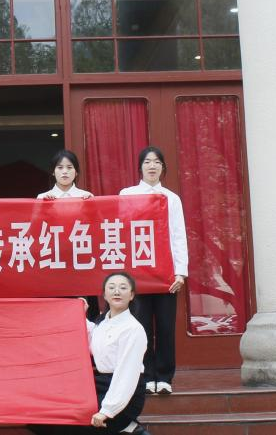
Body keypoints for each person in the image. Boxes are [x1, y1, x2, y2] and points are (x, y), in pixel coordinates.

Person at [29, 272, 150, 435]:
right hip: (99, 386)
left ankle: (128, 427)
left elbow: (126, 375)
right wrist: (78, 313)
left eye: (123, 288)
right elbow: (92, 340)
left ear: (132, 295)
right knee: (40, 417)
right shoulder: (103, 323)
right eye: (111, 287)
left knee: (68, 422)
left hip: (123, 394)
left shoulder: (133, 329)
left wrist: (107, 411)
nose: (116, 291)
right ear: (104, 295)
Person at [118, 147, 187, 396]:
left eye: (157, 162)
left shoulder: (171, 198)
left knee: (166, 327)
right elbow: (121, 231)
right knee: (141, 327)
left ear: (163, 167)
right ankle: (146, 376)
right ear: (140, 167)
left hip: (166, 274)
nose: (152, 166)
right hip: (139, 274)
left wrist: (180, 272)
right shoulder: (127, 195)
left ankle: (165, 377)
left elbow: (178, 235)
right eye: (147, 162)